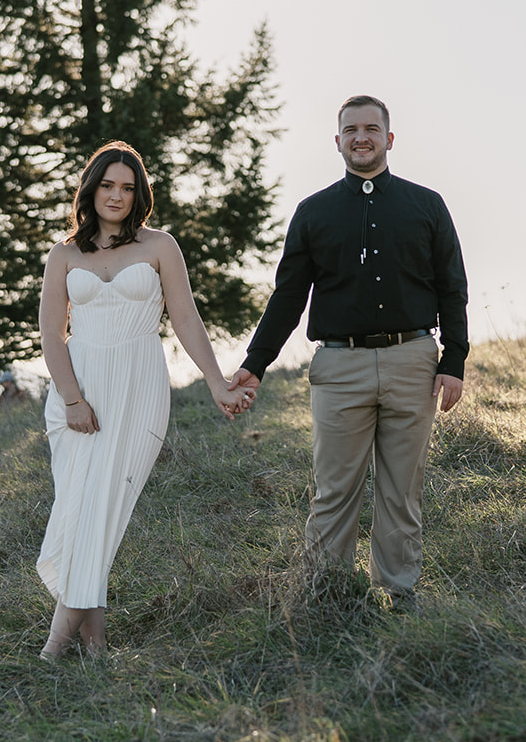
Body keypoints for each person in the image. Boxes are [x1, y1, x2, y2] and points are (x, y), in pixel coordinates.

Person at [230, 95, 467, 602]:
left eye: (371, 129)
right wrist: (256, 363)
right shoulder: (314, 212)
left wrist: (454, 361)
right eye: (351, 130)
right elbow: (289, 295)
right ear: (337, 141)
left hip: (413, 362)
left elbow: (453, 287)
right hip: (338, 367)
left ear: (389, 138)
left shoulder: (426, 205)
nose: (362, 137)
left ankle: (398, 595)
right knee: (334, 490)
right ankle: (325, 597)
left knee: (401, 492)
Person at [36, 141, 253, 658]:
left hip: (138, 387)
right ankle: (95, 648)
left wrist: (217, 382)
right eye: (108, 185)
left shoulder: (160, 247)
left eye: (128, 188)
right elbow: (49, 332)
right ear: (91, 190)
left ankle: (52, 649)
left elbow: (186, 319)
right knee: (83, 508)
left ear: (140, 196)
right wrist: (71, 400)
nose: (117, 195)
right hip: (77, 390)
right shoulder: (64, 254)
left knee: (105, 507)